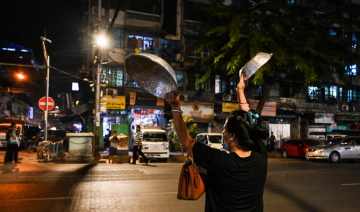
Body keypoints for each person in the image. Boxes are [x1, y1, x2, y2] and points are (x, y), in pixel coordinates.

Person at [165, 74, 268, 212]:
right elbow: (250, 124)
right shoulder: (260, 155)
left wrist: (176, 107)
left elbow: (186, 140)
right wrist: (240, 91)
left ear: (232, 136)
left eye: (224, 130)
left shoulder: (218, 160)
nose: (222, 134)